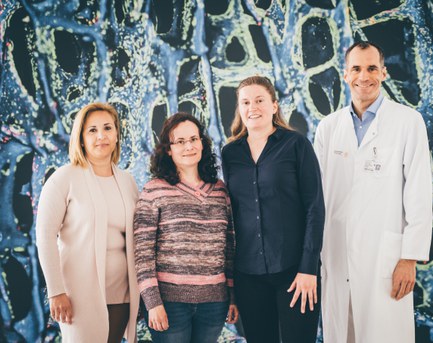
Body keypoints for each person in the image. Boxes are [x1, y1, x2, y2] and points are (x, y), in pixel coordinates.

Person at [314, 41, 433, 343]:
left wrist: (410, 258)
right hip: (337, 256)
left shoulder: (408, 122)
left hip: (387, 259)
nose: (363, 76)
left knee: (385, 335)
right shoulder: (328, 128)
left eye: (371, 68)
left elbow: (419, 191)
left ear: (383, 72)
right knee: (343, 333)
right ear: (345, 74)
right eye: (356, 68)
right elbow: (316, 197)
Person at [221, 75, 325, 343]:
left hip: (294, 272)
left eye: (259, 100)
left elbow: (315, 208)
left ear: (274, 106)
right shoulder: (230, 154)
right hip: (249, 276)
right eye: (245, 102)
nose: (252, 107)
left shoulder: (296, 145)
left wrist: (308, 269)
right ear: (239, 108)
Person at [36, 102, 139, 342]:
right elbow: (44, 235)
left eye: (107, 128)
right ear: (81, 138)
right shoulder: (64, 178)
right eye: (92, 130)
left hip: (123, 295)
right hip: (78, 297)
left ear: (116, 135)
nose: (101, 136)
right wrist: (56, 291)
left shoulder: (127, 181)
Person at [134, 112, 238, 343]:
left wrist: (232, 296)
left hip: (214, 304)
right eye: (180, 142)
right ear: (168, 150)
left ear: (202, 143)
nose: (188, 146)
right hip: (170, 304)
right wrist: (152, 302)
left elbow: (229, 248)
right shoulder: (154, 191)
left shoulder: (220, 190)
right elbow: (142, 254)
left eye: (193, 139)